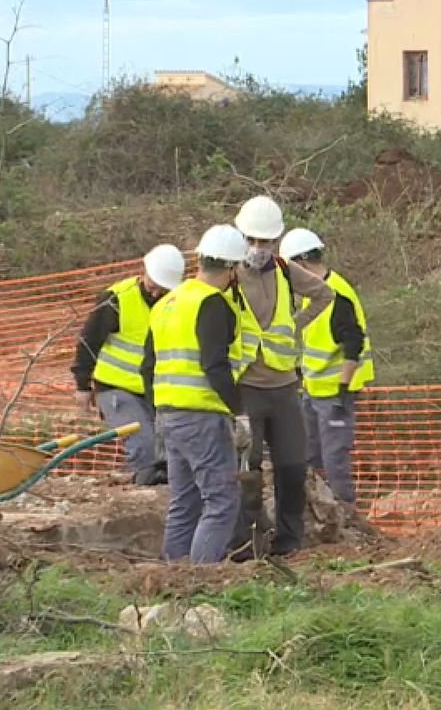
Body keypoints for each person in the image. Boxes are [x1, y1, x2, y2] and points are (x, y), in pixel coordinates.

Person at [226, 195, 334, 559]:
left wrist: (293, 328)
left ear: (276, 240)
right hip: (246, 388)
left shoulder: (285, 271)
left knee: (291, 466)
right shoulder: (228, 273)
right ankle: (248, 543)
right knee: (249, 468)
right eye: (252, 240)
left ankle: (290, 541)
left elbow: (324, 294)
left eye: (266, 241)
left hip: (284, 386)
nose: (258, 248)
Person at [139, 224, 247, 564]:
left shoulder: (167, 302)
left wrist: (158, 411)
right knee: (221, 500)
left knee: (183, 502)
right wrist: (239, 410)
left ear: (200, 259)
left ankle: (175, 574)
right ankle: (202, 578)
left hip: (169, 415)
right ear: (232, 269)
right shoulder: (212, 304)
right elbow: (214, 364)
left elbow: (147, 367)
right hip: (202, 415)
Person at [70, 244, 185, 485]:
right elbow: (89, 341)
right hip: (115, 388)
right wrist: (82, 385)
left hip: (158, 391)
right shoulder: (117, 299)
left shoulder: (178, 303)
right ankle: (143, 493)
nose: (155, 294)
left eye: (163, 290)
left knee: (170, 449)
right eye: (153, 286)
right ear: (144, 270)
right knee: (144, 446)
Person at [279, 228, 374, 507]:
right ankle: (319, 514)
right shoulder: (314, 294)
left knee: (334, 460)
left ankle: (346, 516)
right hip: (313, 391)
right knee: (311, 456)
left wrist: (343, 391)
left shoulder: (337, 296)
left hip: (334, 395)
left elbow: (352, 345)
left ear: (302, 263)